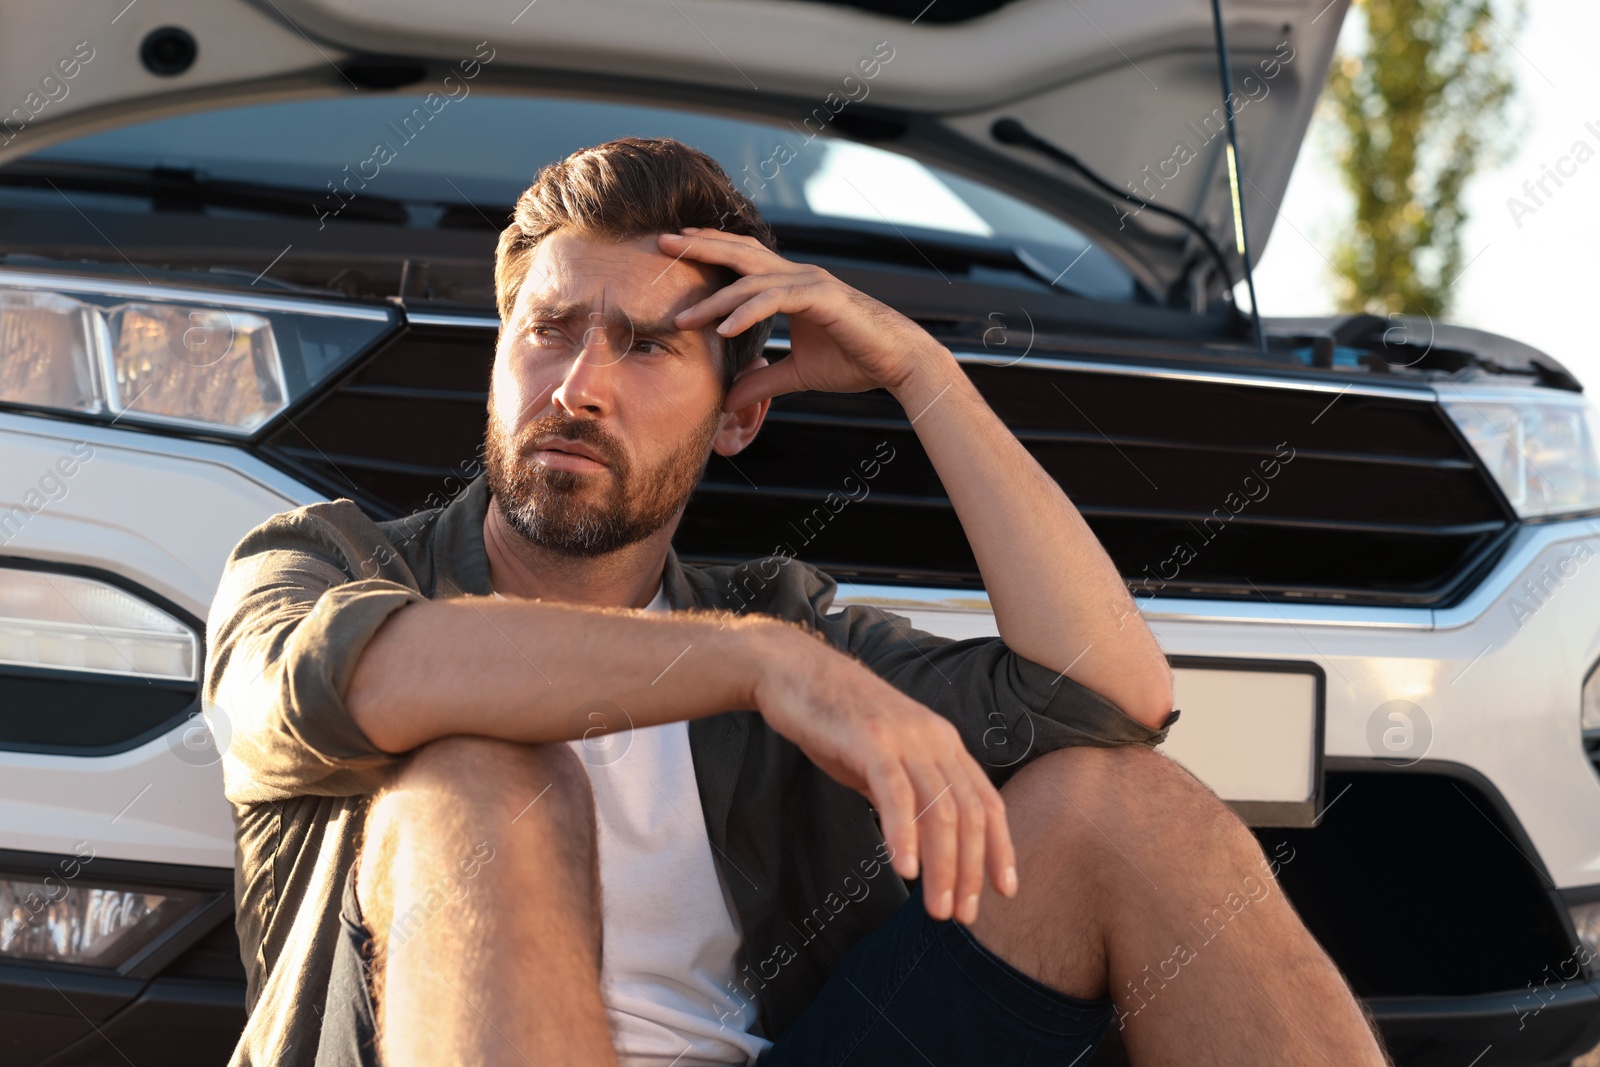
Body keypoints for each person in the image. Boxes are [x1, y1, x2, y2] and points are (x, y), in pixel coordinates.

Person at [206, 136, 1389, 1067]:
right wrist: (765, 667)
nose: (578, 386)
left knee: (1132, 804)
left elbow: (1110, 696)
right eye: (549, 332)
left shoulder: (781, 616)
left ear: (737, 414)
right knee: (481, 774)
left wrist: (921, 373)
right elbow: (349, 675)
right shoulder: (325, 560)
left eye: (646, 348)